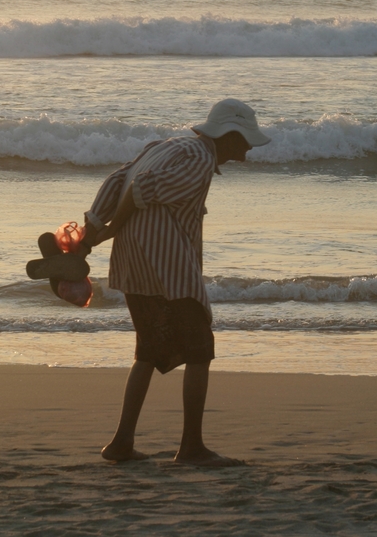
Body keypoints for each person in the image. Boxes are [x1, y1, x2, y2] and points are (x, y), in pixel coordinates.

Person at [81, 99, 271, 466]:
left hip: (134, 262)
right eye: (245, 141)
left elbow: (116, 181)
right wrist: (103, 234)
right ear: (229, 135)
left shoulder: (164, 146)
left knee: (148, 351)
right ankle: (192, 448)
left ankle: (121, 443)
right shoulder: (199, 158)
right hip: (164, 264)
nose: (247, 152)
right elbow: (140, 190)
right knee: (200, 349)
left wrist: (91, 228)